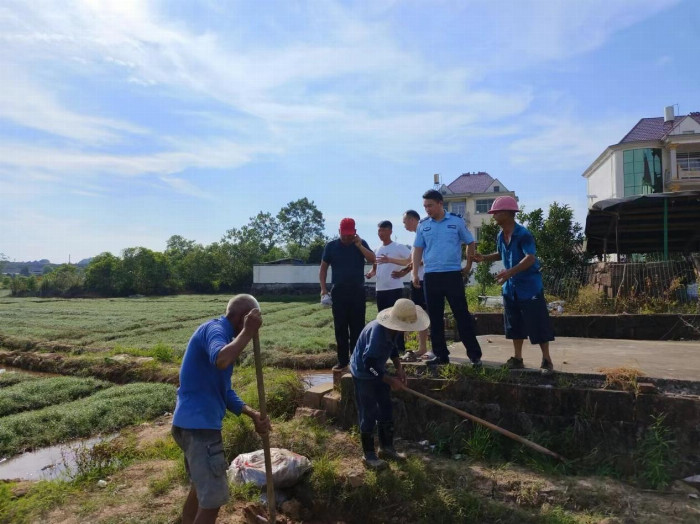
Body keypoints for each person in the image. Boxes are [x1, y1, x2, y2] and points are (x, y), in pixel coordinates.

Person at [171, 294, 272, 524]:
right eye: (247, 323)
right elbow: (221, 359)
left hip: (189, 425)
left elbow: (224, 392)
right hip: (200, 429)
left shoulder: (224, 336)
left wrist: (253, 414)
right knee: (213, 500)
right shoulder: (216, 331)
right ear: (241, 319)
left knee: (200, 488)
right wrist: (247, 332)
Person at [472, 196, 555, 375]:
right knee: (514, 324)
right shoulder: (501, 235)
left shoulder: (523, 234)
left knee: (538, 323)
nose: (493, 216)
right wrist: (484, 258)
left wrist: (510, 272)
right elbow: (501, 254)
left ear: (508, 214)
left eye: (496, 213)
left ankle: (547, 360)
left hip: (530, 287)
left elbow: (530, 257)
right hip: (511, 288)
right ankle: (518, 358)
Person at [350, 298, 430, 470]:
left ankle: (386, 448)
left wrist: (399, 368)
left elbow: (393, 349)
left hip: (377, 368)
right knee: (369, 411)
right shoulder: (377, 333)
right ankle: (369, 455)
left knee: (386, 407)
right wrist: (390, 380)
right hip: (364, 373)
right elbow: (368, 364)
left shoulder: (393, 330)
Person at [412, 189, 482, 367]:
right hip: (431, 276)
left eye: (430, 205)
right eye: (425, 206)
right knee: (434, 318)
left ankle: (474, 355)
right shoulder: (423, 225)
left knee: (462, 315)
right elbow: (418, 249)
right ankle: (441, 355)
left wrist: (467, 265)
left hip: (452, 275)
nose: (427, 209)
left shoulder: (456, 221)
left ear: (440, 204)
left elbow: (470, 242)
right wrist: (414, 273)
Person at [320, 217, 376, 370]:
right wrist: (323, 289)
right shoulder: (331, 246)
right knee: (340, 327)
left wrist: (359, 246)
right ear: (339, 231)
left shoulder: (361, 244)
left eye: (349, 235)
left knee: (358, 327)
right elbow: (323, 268)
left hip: (357, 291)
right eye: (343, 235)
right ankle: (342, 360)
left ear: (355, 233)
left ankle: (357, 359)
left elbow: (373, 260)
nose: (346, 238)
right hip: (338, 292)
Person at [381, 210, 432, 360]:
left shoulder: (426, 232)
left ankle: (432, 348)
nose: (404, 225)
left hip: (425, 279)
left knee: (429, 313)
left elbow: (421, 259)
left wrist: (409, 266)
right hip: (416, 279)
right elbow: (410, 261)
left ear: (412, 220)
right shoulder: (418, 235)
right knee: (420, 313)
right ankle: (422, 347)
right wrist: (398, 266)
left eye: (404, 222)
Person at [365, 220, 411, 312]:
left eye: (383, 230)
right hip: (380, 289)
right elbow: (374, 269)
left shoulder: (398, 247)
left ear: (390, 231)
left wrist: (403, 272)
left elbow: (411, 261)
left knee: (395, 318)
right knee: (382, 318)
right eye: (379, 231)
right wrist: (370, 274)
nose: (380, 233)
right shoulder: (376, 250)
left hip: (394, 289)